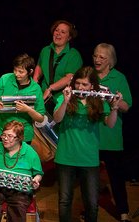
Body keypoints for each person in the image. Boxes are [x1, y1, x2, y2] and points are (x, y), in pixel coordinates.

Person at [53, 66, 120, 222]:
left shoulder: (97, 101)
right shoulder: (65, 97)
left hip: (89, 159)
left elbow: (110, 124)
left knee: (91, 203)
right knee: (64, 201)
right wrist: (65, 101)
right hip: (66, 157)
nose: (80, 88)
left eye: (85, 85)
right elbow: (57, 119)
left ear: (92, 86)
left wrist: (114, 107)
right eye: (78, 83)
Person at [93, 43, 133, 222]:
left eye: (102, 57)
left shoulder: (119, 78)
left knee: (116, 178)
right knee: (90, 179)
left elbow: (126, 106)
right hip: (91, 136)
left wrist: (114, 101)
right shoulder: (90, 76)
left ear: (110, 60)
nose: (97, 59)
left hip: (111, 136)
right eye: (95, 56)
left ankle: (123, 212)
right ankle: (90, 210)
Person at [0, 120, 43, 222]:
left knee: (17, 209)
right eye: (3, 135)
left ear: (19, 138)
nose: (5, 138)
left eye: (9, 136)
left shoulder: (30, 152)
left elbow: (38, 173)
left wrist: (36, 180)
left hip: (20, 191)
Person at [0, 53, 45, 143]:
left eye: (21, 72)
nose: (16, 74)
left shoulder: (36, 89)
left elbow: (40, 118)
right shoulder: (5, 78)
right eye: (15, 70)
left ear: (30, 72)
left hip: (22, 134)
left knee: (19, 157)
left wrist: (28, 110)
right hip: (0, 129)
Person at [33, 20, 82, 112]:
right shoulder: (45, 50)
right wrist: (35, 80)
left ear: (69, 37)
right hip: (43, 97)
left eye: (63, 32)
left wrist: (51, 88)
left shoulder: (74, 54)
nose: (58, 33)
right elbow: (39, 66)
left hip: (62, 98)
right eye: (56, 30)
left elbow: (69, 77)